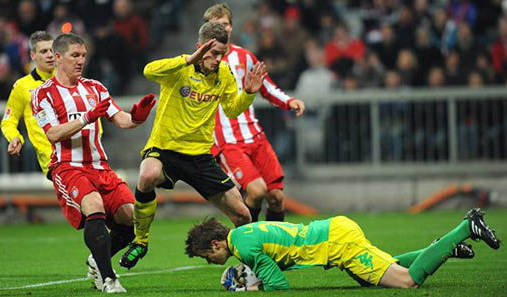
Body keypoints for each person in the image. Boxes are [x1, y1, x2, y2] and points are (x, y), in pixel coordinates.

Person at [119, 21, 267, 269]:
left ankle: (252, 268)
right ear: (200, 47)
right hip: (165, 149)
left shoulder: (224, 75)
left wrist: (249, 93)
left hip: (199, 156)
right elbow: (148, 71)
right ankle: (140, 242)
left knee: (243, 214)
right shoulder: (179, 69)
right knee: (147, 175)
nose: (218, 59)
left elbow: (232, 110)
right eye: (213, 53)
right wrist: (188, 59)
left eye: (222, 53)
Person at [31, 33, 156, 293]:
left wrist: (138, 117)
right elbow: (53, 133)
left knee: (134, 220)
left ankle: (97, 258)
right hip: (68, 167)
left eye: (83, 56)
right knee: (94, 205)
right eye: (75, 55)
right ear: (58, 58)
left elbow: (120, 120)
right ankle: (108, 278)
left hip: (101, 167)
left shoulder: (95, 88)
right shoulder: (43, 94)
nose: (80, 61)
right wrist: (87, 117)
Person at [185, 208, 501, 291]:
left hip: (338, 244)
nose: (212, 262)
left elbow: (280, 285)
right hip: (335, 231)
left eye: (207, 257)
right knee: (377, 274)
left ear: (215, 244)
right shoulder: (243, 233)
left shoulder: (244, 250)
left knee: (406, 281)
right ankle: (442, 248)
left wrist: (253, 288)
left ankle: (464, 228)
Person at [204, 3, 305, 223]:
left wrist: (289, 101)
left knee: (277, 197)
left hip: (254, 135)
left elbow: (266, 86)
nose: (223, 29)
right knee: (256, 192)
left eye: (226, 24)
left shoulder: (245, 57)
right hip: (227, 141)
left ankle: (275, 246)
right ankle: (249, 249)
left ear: (231, 27)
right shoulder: (202, 62)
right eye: (217, 25)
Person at [0, 31, 54, 178]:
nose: (50, 55)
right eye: (44, 51)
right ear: (33, 56)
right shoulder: (22, 86)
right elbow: (8, 121)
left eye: (52, 50)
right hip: (53, 160)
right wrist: (15, 137)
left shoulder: (69, 79)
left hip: (81, 155)